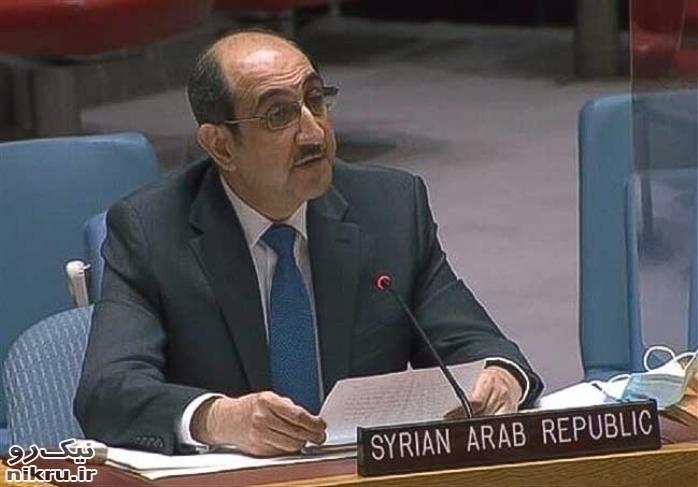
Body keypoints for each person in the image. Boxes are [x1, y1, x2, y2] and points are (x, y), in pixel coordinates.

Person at [75, 30, 543, 457]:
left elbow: (476, 344)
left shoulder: (390, 209)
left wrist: (499, 378)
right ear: (221, 146)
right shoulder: (153, 230)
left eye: (315, 101)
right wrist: (218, 418)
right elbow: (106, 391)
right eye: (278, 114)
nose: (314, 133)